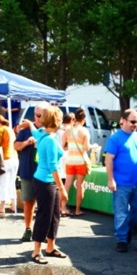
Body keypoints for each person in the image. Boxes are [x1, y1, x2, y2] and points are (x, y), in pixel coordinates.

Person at [20, 106, 68, 264]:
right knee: (44, 215)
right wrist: (62, 189)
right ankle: (36, 251)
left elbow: (34, 130)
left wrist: (29, 124)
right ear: (57, 120)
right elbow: (53, 167)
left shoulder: (43, 134)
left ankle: (50, 247)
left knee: (54, 215)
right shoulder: (49, 140)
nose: (62, 121)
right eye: (60, 118)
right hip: (46, 181)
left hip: (47, 180)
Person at [105, 109, 137, 253]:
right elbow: (108, 159)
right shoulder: (114, 139)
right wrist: (111, 180)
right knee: (121, 213)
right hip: (121, 184)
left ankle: (127, 230)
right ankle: (122, 240)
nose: (135, 124)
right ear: (122, 120)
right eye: (132, 121)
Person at [14, 101, 50, 241]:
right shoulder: (25, 130)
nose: (39, 118)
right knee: (28, 201)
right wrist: (26, 143)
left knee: (44, 204)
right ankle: (28, 229)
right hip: (28, 170)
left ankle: (42, 231)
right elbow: (16, 146)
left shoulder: (50, 131)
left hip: (44, 173)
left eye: (42, 115)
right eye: (37, 115)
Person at [60, 108, 91, 217]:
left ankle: (63, 207)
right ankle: (78, 209)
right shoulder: (84, 131)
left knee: (67, 185)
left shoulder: (67, 131)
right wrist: (93, 146)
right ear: (83, 119)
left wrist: (70, 147)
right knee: (80, 185)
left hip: (70, 161)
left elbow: (63, 146)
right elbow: (86, 148)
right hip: (81, 161)